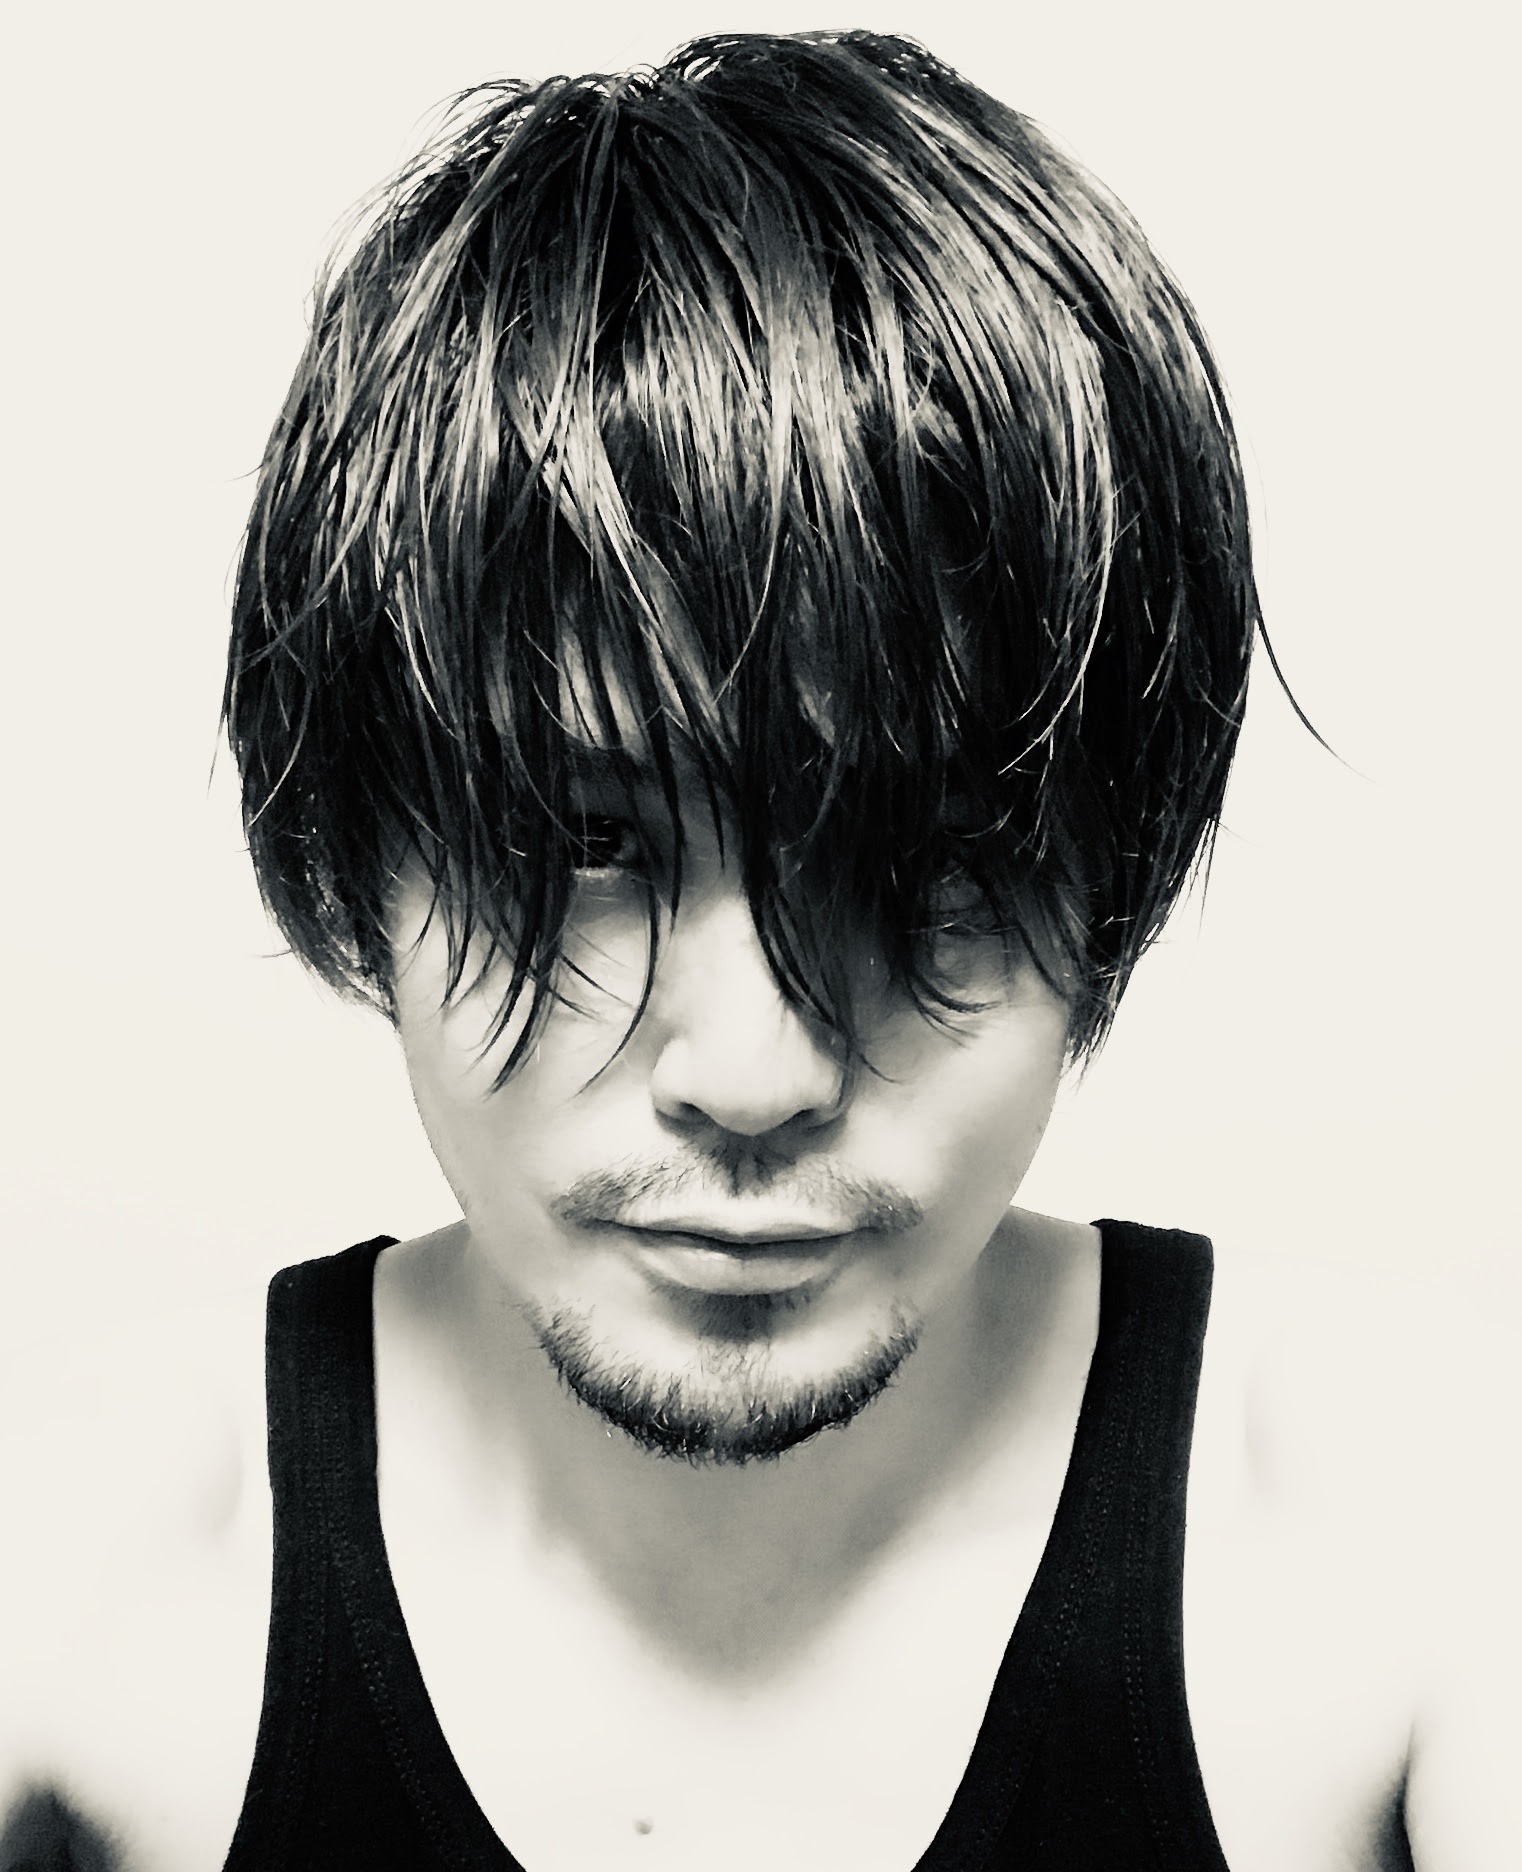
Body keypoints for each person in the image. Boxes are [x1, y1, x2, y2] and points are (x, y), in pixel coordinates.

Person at [0, 28, 1513, 1872]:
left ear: (1107, 866)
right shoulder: (74, 1573)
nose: (751, 1073)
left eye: (927, 861)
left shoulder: (1419, 1536)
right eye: (582, 844)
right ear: (357, 840)